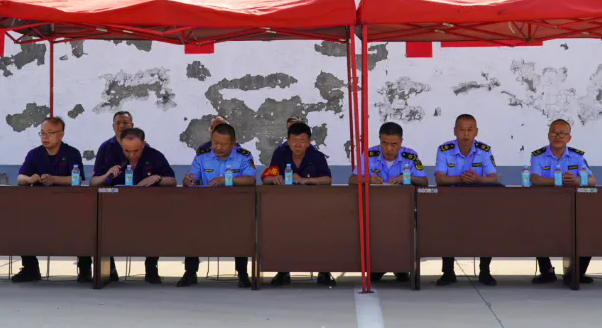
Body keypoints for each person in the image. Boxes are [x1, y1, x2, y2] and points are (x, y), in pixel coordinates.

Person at [91, 127, 176, 284]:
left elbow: (172, 181)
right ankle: (109, 269)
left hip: (149, 210)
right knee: (101, 224)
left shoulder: (154, 156)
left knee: (156, 227)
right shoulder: (113, 157)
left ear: (143, 144)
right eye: (127, 151)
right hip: (118, 208)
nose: (131, 155)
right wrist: (106, 175)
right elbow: (93, 183)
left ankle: (151, 267)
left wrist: (157, 178)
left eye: (136, 150)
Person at [12, 117, 90, 283]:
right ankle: (30, 268)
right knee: (21, 223)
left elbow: (77, 179)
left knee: (84, 225)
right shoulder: (34, 154)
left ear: (61, 134)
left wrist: (55, 179)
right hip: (38, 207)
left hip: (69, 207)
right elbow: (20, 178)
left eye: (50, 133)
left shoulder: (72, 153)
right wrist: (30, 179)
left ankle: (85, 269)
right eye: (42, 133)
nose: (44, 137)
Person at [179, 123, 256, 288]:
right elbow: (191, 176)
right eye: (215, 142)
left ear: (233, 143)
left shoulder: (243, 156)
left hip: (235, 208)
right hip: (206, 207)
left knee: (241, 232)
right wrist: (188, 180)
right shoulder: (202, 157)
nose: (218, 147)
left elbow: (250, 179)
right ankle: (190, 272)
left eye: (223, 144)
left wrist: (225, 180)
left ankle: (242, 273)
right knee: (191, 228)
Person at [348, 122, 427, 283]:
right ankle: (379, 267)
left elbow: (424, 181)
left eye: (394, 144)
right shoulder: (369, 155)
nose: (389, 148)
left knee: (402, 236)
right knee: (377, 236)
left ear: (401, 142)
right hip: (376, 209)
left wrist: (405, 177)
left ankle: (401, 268)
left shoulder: (410, 156)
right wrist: (368, 179)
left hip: (402, 209)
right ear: (379, 140)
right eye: (384, 143)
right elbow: (352, 179)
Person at [261, 122, 334, 287]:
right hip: (285, 207)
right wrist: (274, 179)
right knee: (283, 236)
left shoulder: (317, 156)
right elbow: (266, 178)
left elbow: (327, 179)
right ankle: (283, 271)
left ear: (309, 142)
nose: (298, 145)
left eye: (302, 141)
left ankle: (324, 271)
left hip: (314, 207)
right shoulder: (280, 153)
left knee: (319, 236)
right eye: (294, 141)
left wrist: (306, 180)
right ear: (288, 141)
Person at [433, 114, 498, 286]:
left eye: (470, 130)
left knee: (486, 231)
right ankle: (448, 272)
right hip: (451, 200)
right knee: (448, 231)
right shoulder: (444, 150)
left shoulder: (484, 150)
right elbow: (439, 178)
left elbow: (493, 177)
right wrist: (461, 178)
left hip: (478, 200)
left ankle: (485, 271)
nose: (466, 134)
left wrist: (478, 179)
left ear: (476, 132)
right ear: (455, 131)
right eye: (462, 130)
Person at [528, 119, 595, 285]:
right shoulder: (538, 155)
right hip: (545, 205)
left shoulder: (577, 156)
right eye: (554, 132)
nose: (557, 136)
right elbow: (535, 179)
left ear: (569, 138)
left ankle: (576, 272)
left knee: (587, 231)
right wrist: (558, 180)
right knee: (536, 229)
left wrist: (577, 180)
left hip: (573, 206)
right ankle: (547, 271)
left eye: (562, 133)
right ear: (548, 135)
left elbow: (592, 180)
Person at [92, 111, 135, 179]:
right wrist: (106, 176)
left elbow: (151, 176)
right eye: (118, 123)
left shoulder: (143, 148)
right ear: (113, 126)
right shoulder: (105, 147)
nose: (121, 126)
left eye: (125, 123)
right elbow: (93, 181)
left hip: (136, 186)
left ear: (132, 126)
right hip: (110, 185)